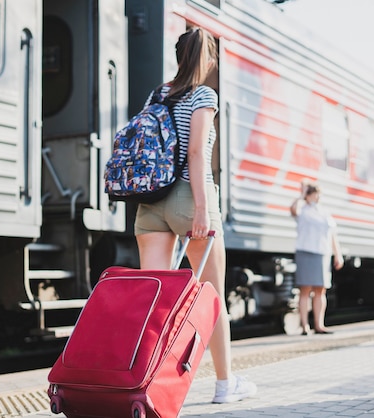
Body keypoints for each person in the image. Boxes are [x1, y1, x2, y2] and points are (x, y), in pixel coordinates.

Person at [134, 27, 257, 404]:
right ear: (207, 60)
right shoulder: (204, 95)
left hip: (151, 202)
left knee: (155, 300)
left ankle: (144, 384)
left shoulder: (159, 94)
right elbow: (197, 154)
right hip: (190, 200)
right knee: (212, 296)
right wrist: (203, 209)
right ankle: (224, 385)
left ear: (178, 57)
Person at [290, 181, 344, 335]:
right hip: (305, 251)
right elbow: (293, 209)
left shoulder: (325, 212)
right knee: (305, 289)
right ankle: (305, 326)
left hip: (322, 253)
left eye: (317, 194)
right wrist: (301, 196)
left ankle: (319, 325)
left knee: (321, 290)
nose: (315, 196)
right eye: (312, 193)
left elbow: (333, 235)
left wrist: (337, 254)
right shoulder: (302, 210)